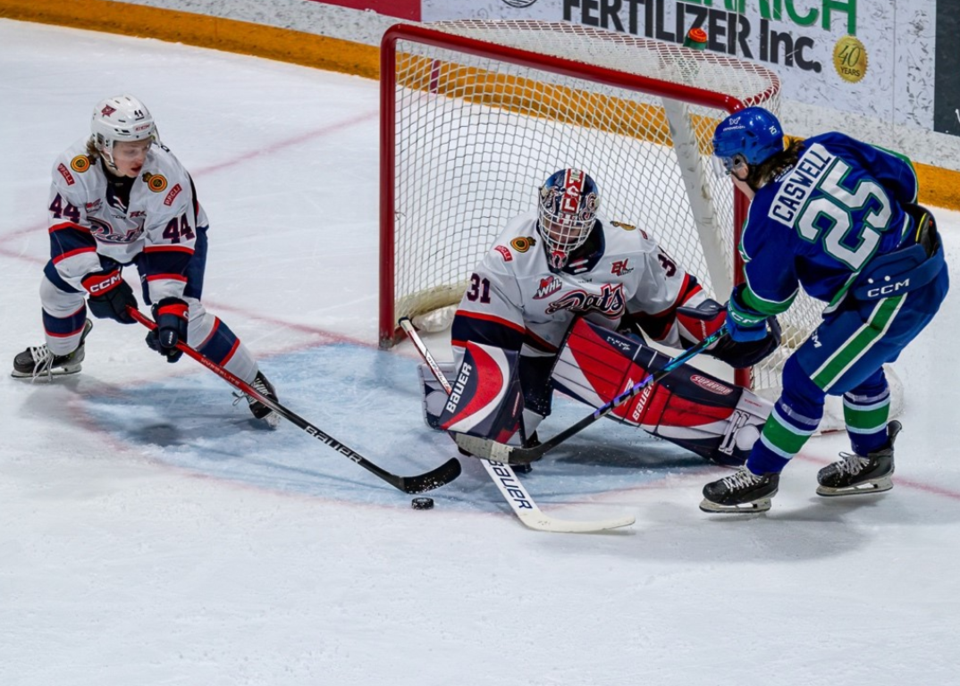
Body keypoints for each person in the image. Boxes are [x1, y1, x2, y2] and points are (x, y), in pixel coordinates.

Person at [420, 168, 780, 467]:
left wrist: (722, 330)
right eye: (554, 222)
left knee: (638, 388)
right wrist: (479, 405)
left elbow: (674, 301)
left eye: (573, 224)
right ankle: (471, 393)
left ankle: (729, 424)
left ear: (592, 219)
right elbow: (482, 331)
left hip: (601, 344)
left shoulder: (632, 246)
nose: (561, 233)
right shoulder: (510, 257)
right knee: (514, 430)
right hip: (530, 347)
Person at [700, 107, 949, 513]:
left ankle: (758, 477)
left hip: (890, 298)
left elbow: (770, 298)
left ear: (744, 164)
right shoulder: (826, 144)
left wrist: (741, 321)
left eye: (731, 165)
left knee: (803, 377)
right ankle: (872, 460)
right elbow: (904, 175)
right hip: (926, 263)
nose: (730, 174)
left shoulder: (766, 216)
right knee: (851, 364)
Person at [12, 94, 280, 428]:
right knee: (55, 291)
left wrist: (169, 309)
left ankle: (252, 381)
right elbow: (66, 231)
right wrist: (100, 283)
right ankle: (64, 352)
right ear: (103, 146)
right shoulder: (73, 168)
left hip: (165, 240)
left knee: (189, 319)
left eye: (144, 145)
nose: (141, 156)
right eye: (130, 150)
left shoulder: (167, 177)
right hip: (105, 240)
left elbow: (168, 246)